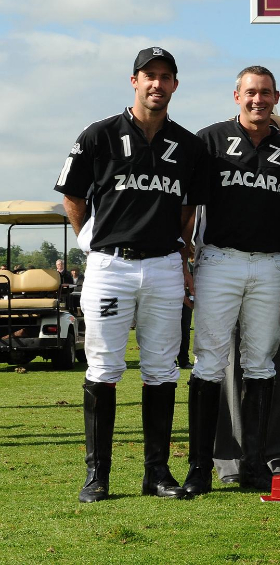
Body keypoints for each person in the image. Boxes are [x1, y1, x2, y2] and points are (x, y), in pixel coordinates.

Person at [55, 47, 208, 502]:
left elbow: (189, 207)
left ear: (175, 84)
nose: (157, 84)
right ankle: (97, 475)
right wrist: (89, 242)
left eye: (165, 76)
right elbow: (72, 196)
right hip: (110, 267)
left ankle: (156, 474)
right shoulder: (99, 134)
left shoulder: (188, 145)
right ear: (134, 80)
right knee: (104, 367)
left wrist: (181, 251)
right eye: (149, 75)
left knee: (162, 368)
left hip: (163, 267)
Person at [180, 65, 280, 496]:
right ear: (237, 96)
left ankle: (254, 464)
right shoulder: (209, 140)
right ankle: (199, 466)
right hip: (219, 260)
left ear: (276, 98)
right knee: (209, 362)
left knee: (261, 364)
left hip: (270, 265)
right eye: (251, 92)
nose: (258, 100)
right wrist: (183, 258)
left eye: (266, 93)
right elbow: (187, 205)